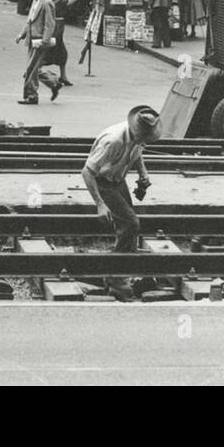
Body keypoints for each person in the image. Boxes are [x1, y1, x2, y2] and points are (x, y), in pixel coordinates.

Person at [80, 105, 161, 301]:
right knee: (131, 224)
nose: (145, 141)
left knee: (128, 227)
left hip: (117, 180)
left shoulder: (137, 137)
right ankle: (116, 279)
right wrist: (100, 204)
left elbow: (137, 152)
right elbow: (87, 172)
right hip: (103, 183)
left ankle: (122, 270)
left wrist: (143, 173)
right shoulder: (113, 140)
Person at [15, 0, 59, 104]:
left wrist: (44, 41)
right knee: (34, 68)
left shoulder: (47, 2)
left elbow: (49, 24)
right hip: (31, 39)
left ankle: (32, 96)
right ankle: (54, 83)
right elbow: (30, 20)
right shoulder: (36, 0)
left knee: (31, 69)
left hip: (39, 41)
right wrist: (22, 34)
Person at [45, 0, 77, 89]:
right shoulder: (59, 2)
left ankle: (63, 76)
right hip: (56, 28)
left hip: (55, 28)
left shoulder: (48, 0)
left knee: (58, 52)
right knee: (55, 52)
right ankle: (33, 71)